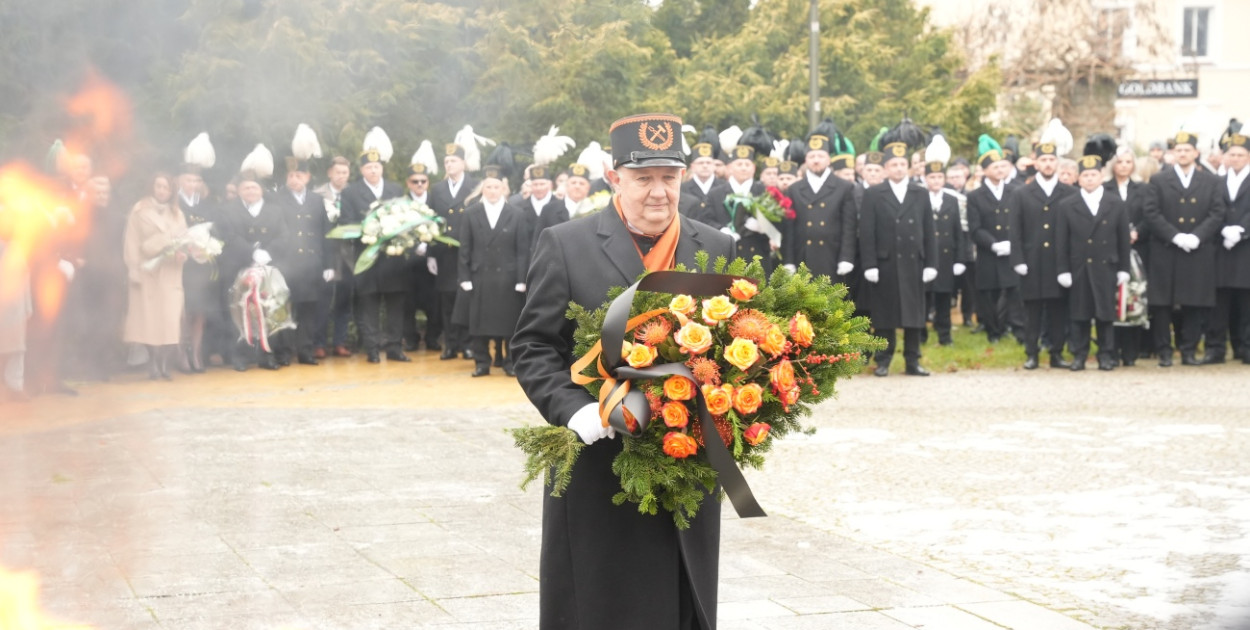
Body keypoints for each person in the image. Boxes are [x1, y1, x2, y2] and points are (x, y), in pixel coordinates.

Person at [512, 112, 735, 630]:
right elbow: (531, 346)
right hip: (600, 461)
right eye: (643, 178)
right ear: (615, 178)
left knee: (684, 600)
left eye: (669, 177)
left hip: (687, 462)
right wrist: (577, 412)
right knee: (600, 602)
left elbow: (731, 348)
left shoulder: (715, 247)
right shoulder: (566, 244)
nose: (659, 192)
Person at [859, 129, 937, 377]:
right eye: (894, 164)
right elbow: (867, 231)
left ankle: (913, 361)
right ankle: (883, 360)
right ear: (885, 168)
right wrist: (869, 264)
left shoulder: (920, 192)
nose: (899, 168)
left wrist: (931, 264)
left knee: (914, 316)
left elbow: (929, 230)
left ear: (909, 166)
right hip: (886, 263)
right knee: (885, 316)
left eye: (903, 164)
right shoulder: (874, 193)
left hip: (914, 261)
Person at [1144, 130, 1227, 366]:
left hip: (1197, 250)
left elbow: (1217, 212)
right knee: (1162, 303)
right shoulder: (1159, 179)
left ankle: (1188, 349)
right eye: (1178, 150)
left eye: (1187, 150)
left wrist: (1198, 237)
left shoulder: (1210, 181)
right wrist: (1174, 236)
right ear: (1173, 153)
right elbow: (1151, 212)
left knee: (1195, 301)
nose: (1182, 154)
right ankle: (1164, 351)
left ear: (1196, 153)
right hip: (1166, 249)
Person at [1055, 153, 1132, 371]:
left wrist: (1123, 268)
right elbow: (1061, 240)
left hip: (1106, 266)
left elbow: (1123, 238)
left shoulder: (1115, 203)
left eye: (1094, 174)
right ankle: (1079, 354)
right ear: (1079, 178)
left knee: (1104, 314)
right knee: (1079, 313)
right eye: (1085, 175)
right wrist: (1063, 269)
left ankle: (1106, 354)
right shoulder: (1067, 205)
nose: (1089, 179)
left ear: (1101, 176)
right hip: (1078, 266)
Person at [340, 128, 408, 364]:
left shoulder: (395, 189)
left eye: (377, 166)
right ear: (361, 170)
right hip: (367, 257)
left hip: (392, 258)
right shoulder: (350, 193)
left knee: (395, 307)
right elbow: (346, 222)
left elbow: (405, 218)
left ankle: (394, 348)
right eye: (368, 167)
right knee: (368, 305)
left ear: (382, 167)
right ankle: (371, 348)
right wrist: (370, 230)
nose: (373, 170)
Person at [218, 147, 290, 371]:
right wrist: (251, 252)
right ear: (239, 190)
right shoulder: (227, 210)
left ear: (261, 189)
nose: (251, 190)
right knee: (239, 310)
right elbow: (228, 236)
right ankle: (240, 356)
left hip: (268, 269)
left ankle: (268, 355)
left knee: (269, 309)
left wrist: (267, 253)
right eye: (246, 187)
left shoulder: (275, 210)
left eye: (254, 187)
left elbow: (284, 235)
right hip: (238, 268)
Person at [1009, 137, 1077, 369]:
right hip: (1032, 261)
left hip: (1059, 261)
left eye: (1051, 159)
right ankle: (1032, 354)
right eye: (1043, 160)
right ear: (1035, 163)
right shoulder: (1022, 193)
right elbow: (1015, 229)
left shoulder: (1068, 192)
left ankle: (1056, 353)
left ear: (1057, 163)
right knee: (1032, 312)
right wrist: (1017, 259)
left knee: (1058, 310)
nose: (1048, 164)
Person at [459, 166, 531, 377]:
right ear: (483, 189)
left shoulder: (516, 214)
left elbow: (522, 250)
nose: (492, 191)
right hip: (480, 275)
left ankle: (510, 363)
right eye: (488, 187)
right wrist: (464, 277)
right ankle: (482, 362)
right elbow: (465, 248)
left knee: (509, 322)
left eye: (496, 187)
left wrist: (521, 278)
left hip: (508, 278)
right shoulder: (472, 213)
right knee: (478, 322)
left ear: (503, 189)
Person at [122, 172, 187, 380]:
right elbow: (132, 241)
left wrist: (181, 254)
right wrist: (133, 268)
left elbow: (185, 240)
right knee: (149, 322)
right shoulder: (139, 210)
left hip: (170, 273)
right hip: (147, 271)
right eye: (158, 186)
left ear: (171, 191)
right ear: (152, 187)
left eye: (166, 187)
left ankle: (164, 363)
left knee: (169, 321)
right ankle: (153, 363)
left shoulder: (177, 213)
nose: (161, 191)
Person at [276, 137, 332, 366]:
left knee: (309, 309)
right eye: (290, 175)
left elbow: (325, 233)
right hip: (286, 264)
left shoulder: (317, 201)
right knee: (285, 309)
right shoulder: (277, 198)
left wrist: (329, 264)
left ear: (307, 177)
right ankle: (284, 350)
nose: (294, 179)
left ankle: (305, 350)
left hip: (311, 264)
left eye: (299, 175)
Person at [781, 127, 857, 285]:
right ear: (806, 160)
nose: (816, 160)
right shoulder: (794, 189)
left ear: (828, 159)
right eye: (812, 156)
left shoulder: (844, 187)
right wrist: (788, 260)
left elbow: (849, 226)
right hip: (802, 257)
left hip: (832, 256)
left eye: (821, 156)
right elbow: (789, 228)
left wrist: (846, 257)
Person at [967, 135, 1024, 343]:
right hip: (988, 252)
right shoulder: (975, 196)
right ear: (984, 170)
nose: (1000, 170)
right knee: (988, 293)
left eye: (1003, 166)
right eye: (995, 167)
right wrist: (993, 244)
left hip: (1012, 251)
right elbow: (975, 228)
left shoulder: (1016, 191)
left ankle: (1018, 330)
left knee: (1013, 292)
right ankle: (993, 331)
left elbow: (1021, 221)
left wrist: (1013, 243)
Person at [429, 142, 479, 361]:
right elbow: (430, 222)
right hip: (445, 253)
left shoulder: (475, 186)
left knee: (466, 298)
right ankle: (450, 344)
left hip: (467, 252)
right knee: (447, 300)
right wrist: (431, 253)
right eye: (446, 161)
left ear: (464, 164)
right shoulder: (437, 189)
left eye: (454, 161)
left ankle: (468, 344)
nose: (449, 165)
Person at [177, 134, 221, 372]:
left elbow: (215, 230)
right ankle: (181, 353)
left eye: (196, 181)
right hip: (182, 265)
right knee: (183, 311)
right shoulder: (174, 203)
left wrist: (209, 248)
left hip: (202, 265)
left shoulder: (207, 204)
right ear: (179, 180)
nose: (192, 185)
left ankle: (196, 352)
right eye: (188, 180)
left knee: (200, 311)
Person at [1106, 147, 1152, 366]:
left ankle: (1131, 351)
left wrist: (1137, 232)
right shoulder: (1104, 188)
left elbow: (1149, 215)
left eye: (1128, 162)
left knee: (1134, 299)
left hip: (1137, 250)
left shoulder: (1142, 189)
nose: (1123, 166)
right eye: (1119, 162)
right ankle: (1111, 349)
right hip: (1111, 251)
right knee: (1113, 300)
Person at [1208, 123, 1250, 364]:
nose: (1235, 158)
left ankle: (1245, 347)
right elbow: (1212, 209)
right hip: (1221, 247)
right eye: (1232, 154)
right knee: (1219, 302)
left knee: (1246, 302)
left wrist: (1242, 230)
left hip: (1246, 247)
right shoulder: (1217, 181)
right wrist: (1223, 228)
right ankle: (1215, 348)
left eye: (1240, 155)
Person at [921, 137, 968, 346]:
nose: (936, 181)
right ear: (925, 179)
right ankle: (920, 335)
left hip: (947, 259)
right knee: (923, 300)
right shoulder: (919, 198)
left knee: (943, 300)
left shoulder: (951, 200)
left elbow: (959, 232)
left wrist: (960, 259)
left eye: (940, 177)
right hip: (924, 259)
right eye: (932, 177)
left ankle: (945, 336)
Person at [312, 156, 354, 358]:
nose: (341, 176)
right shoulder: (317, 194)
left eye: (345, 173)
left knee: (344, 301)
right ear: (329, 173)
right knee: (323, 300)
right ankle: (318, 342)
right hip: (325, 254)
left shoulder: (353, 193)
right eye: (338, 172)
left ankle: (340, 341)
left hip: (348, 255)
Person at [679, 129, 724, 224]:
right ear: (692, 166)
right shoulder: (683, 188)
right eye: (700, 162)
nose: (705, 166)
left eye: (708, 162)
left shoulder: (725, 187)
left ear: (714, 165)